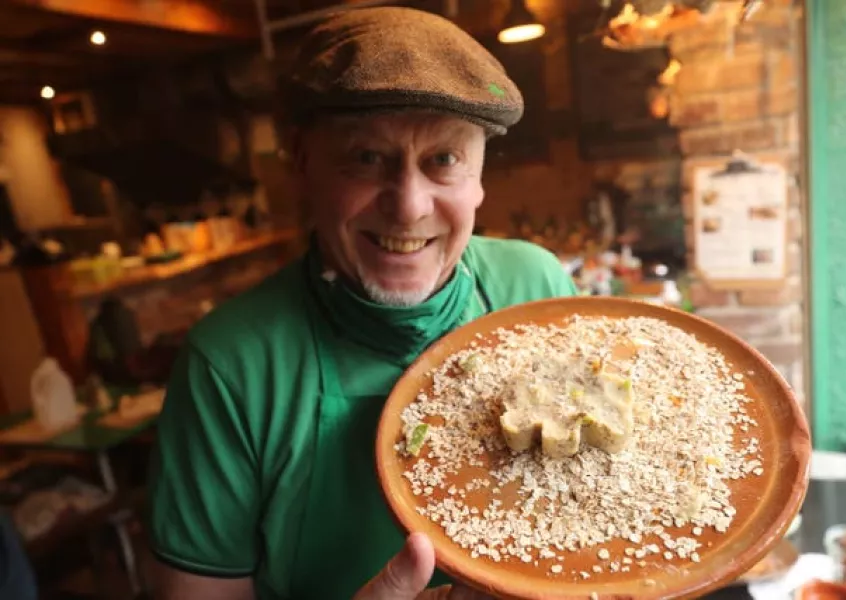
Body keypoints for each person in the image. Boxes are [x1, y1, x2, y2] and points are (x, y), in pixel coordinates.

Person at [147, 7, 577, 600]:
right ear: (301, 163)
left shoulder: (535, 286)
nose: (408, 206)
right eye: (367, 157)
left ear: (480, 178)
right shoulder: (231, 364)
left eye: (443, 160)